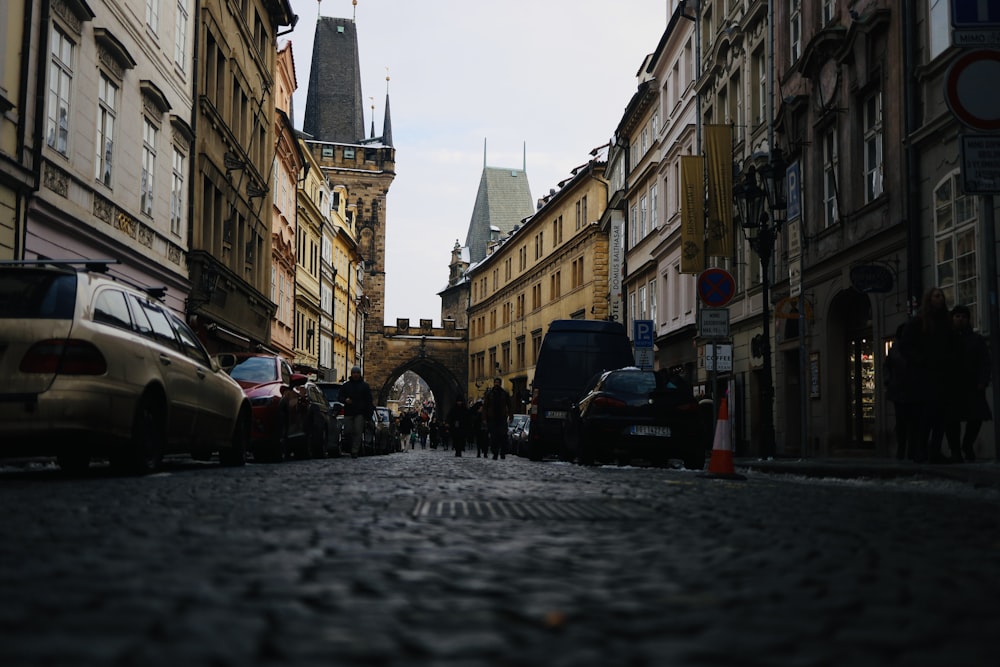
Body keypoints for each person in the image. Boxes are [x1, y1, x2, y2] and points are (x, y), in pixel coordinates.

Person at [898, 287, 962, 463]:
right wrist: (920, 360)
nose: (940, 299)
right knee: (925, 416)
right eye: (936, 296)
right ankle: (921, 450)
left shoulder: (946, 322)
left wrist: (952, 362)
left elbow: (954, 345)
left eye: (941, 296)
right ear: (929, 300)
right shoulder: (919, 322)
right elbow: (905, 346)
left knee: (941, 416)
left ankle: (935, 450)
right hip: (924, 376)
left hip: (943, 375)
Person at [946, 304, 992, 462]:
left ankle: (967, 444)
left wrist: (983, 380)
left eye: (963, 317)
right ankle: (956, 451)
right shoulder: (948, 338)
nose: (960, 319)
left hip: (972, 384)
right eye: (957, 316)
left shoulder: (975, 339)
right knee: (952, 419)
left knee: (976, 417)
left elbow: (984, 361)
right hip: (952, 384)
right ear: (952, 318)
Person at [884, 323, 913, 461]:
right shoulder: (895, 348)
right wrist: (888, 380)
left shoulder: (914, 347)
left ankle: (912, 450)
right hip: (898, 389)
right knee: (901, 421)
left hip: (913, 389)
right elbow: (887, 366)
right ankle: (902, 449)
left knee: (913, 421)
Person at [339, 365, 374, 458]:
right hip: (349, 412)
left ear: (360, 374)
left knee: (358, 432)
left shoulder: (365, 386)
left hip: (360, 413)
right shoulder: (346, 385)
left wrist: (368, 414)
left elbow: (369, 400)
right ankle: (350, 447)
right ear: (351, 374)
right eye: (354, 373)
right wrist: (345, 400)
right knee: (347, 432)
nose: (355, 375)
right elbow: (340, 397)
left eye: (357, 373)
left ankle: (355, 451)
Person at [482, 377, 513, 460]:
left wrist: (510, 415)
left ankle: (503, 453)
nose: (496, 384)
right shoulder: (489, 394)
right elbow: (485, 407)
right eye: (495, 382)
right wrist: (484, 418)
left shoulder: (504, 393)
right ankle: (495, 453)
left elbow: (510, 405)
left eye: (498, 383)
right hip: (492, 418)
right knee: (494, 437)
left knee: (503, 436)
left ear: (500, 383)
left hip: (502, 418)